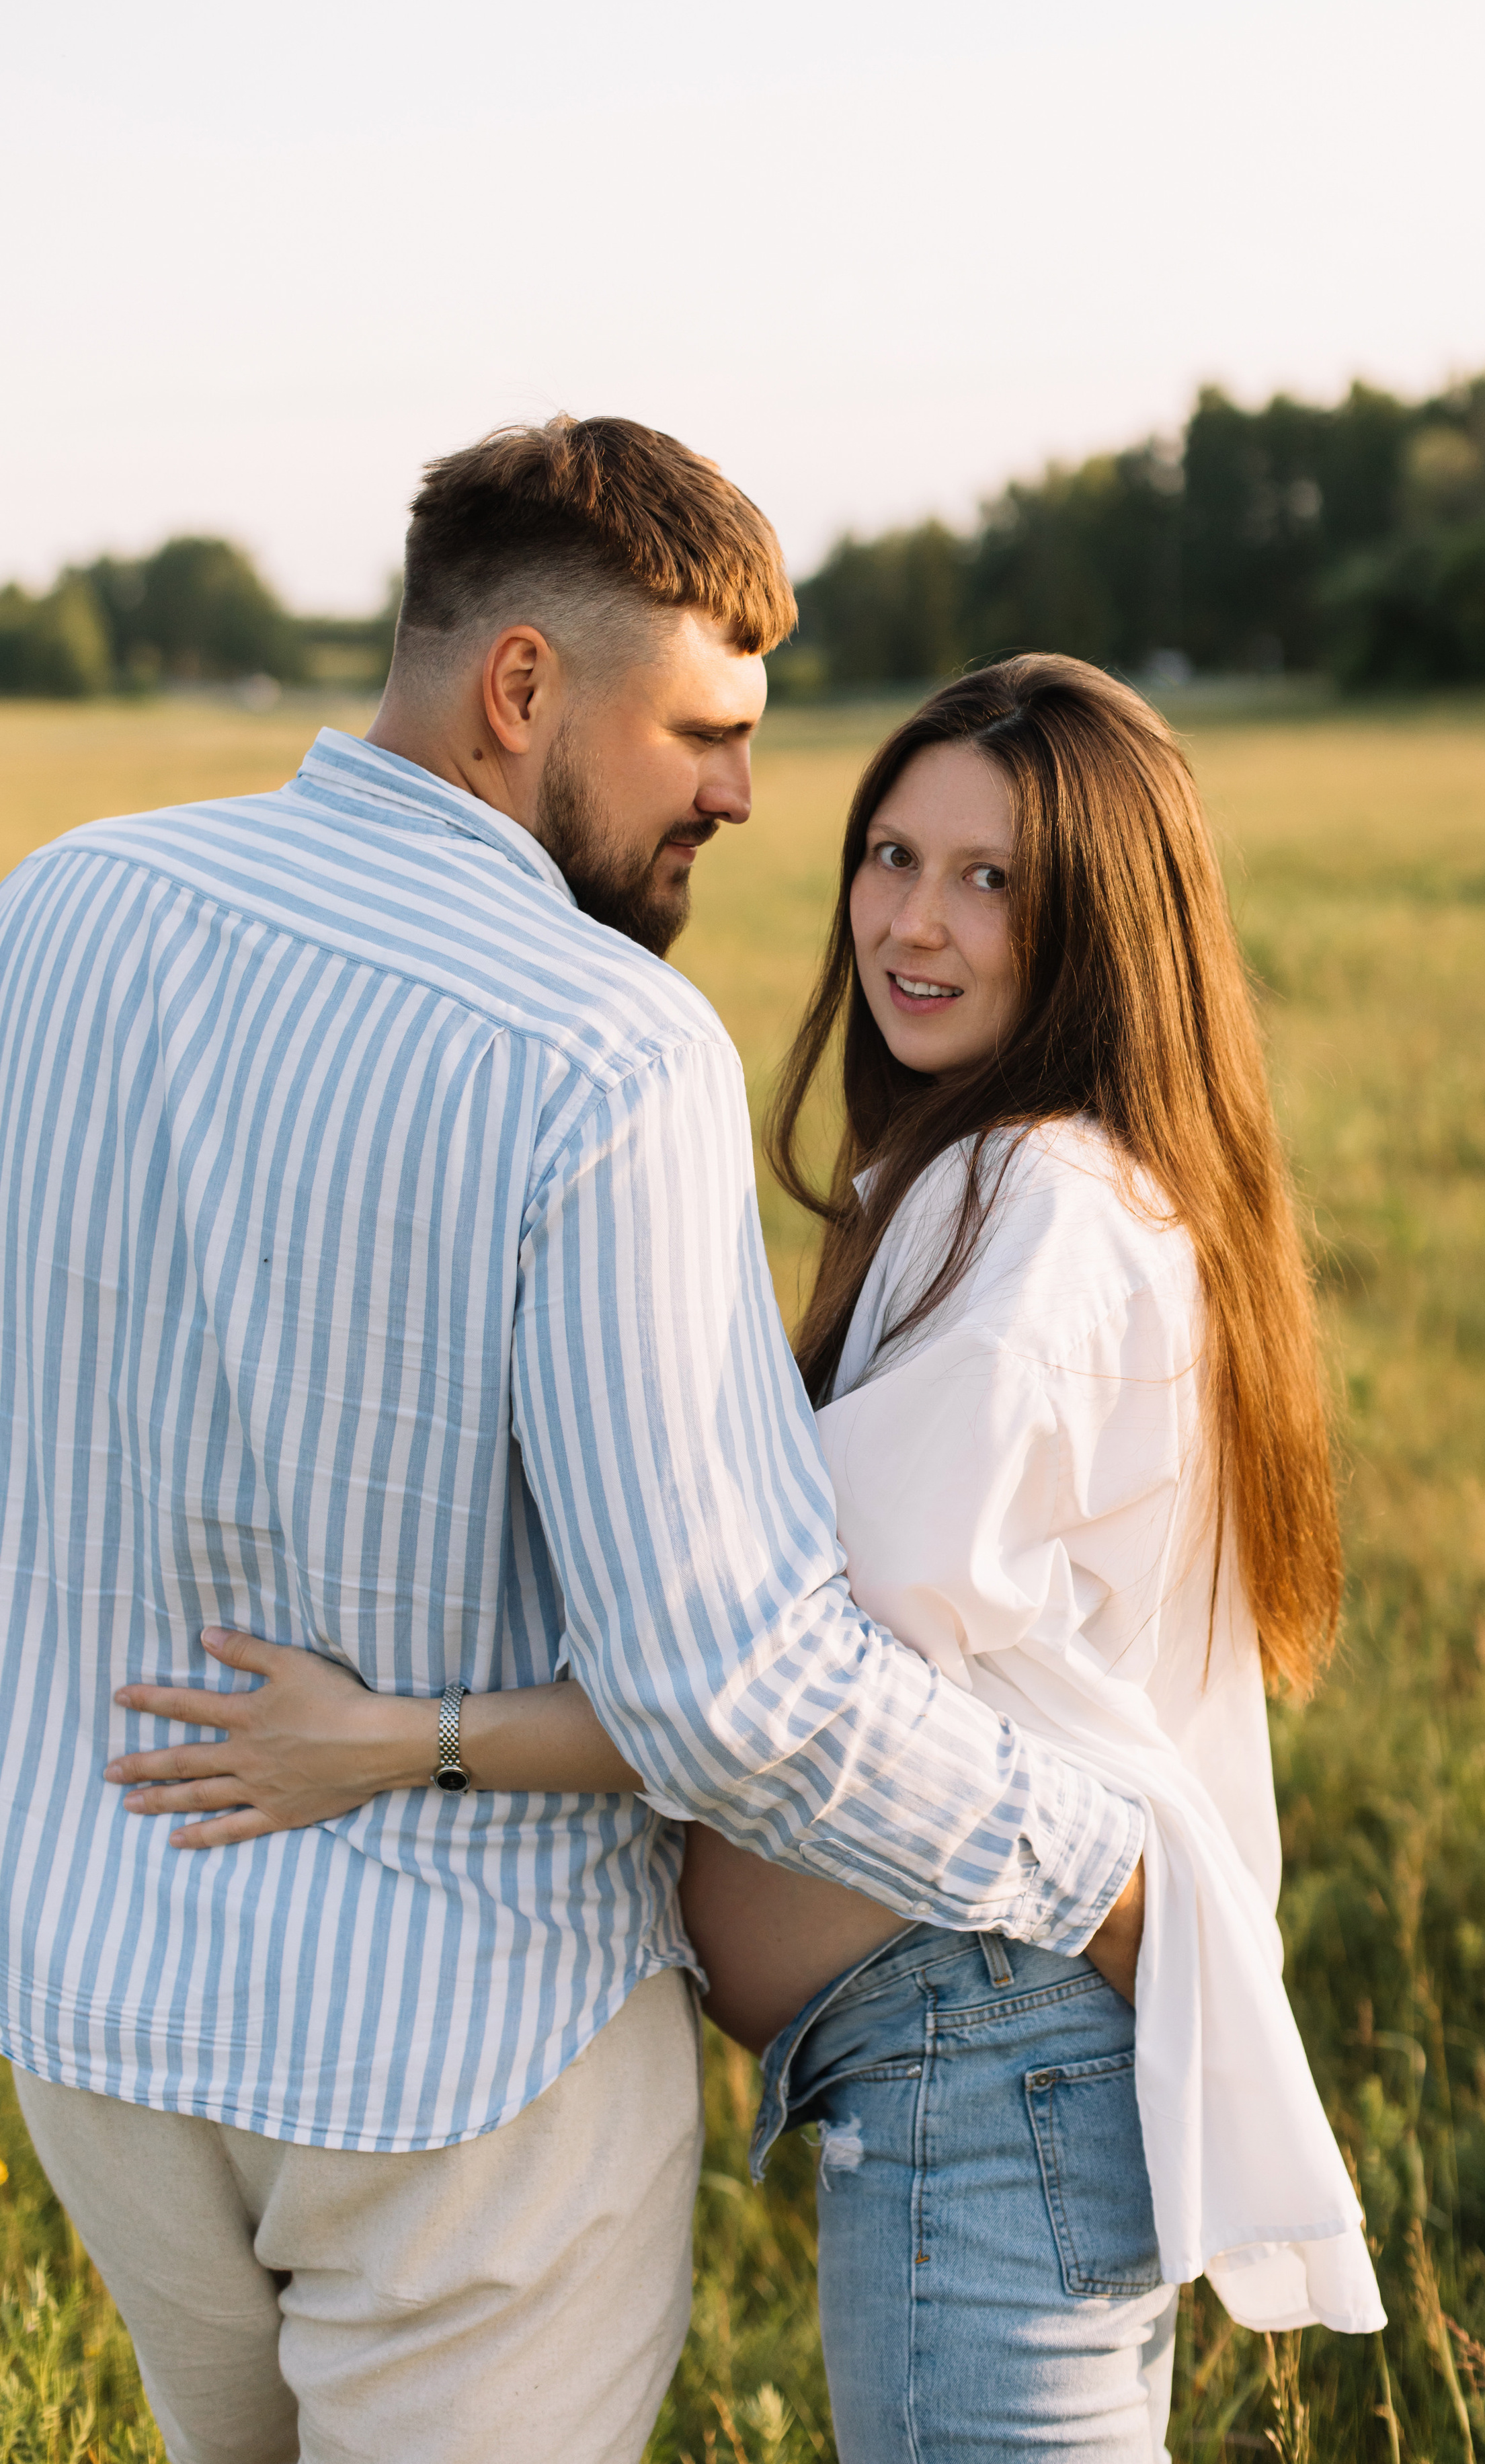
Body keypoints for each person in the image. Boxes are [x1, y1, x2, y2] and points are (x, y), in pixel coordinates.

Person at [0, 428, 1155, 2464]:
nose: (737, 792)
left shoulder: (67, 909)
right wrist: (1090, 1863)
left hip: (98, 2006)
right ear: (521, 690)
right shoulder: (603, 1049)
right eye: (703, 730)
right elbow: (731, 1682)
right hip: (457, 2074)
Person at [119, 655, 1387, 2459]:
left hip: (993, 2038)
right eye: (890, 855)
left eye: (991, 878)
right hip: (971, 2049)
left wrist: (398, 1740)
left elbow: (759, 1671)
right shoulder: (1011, 1186)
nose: (912, 925)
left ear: (1106, 925)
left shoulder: (1040, 1209)